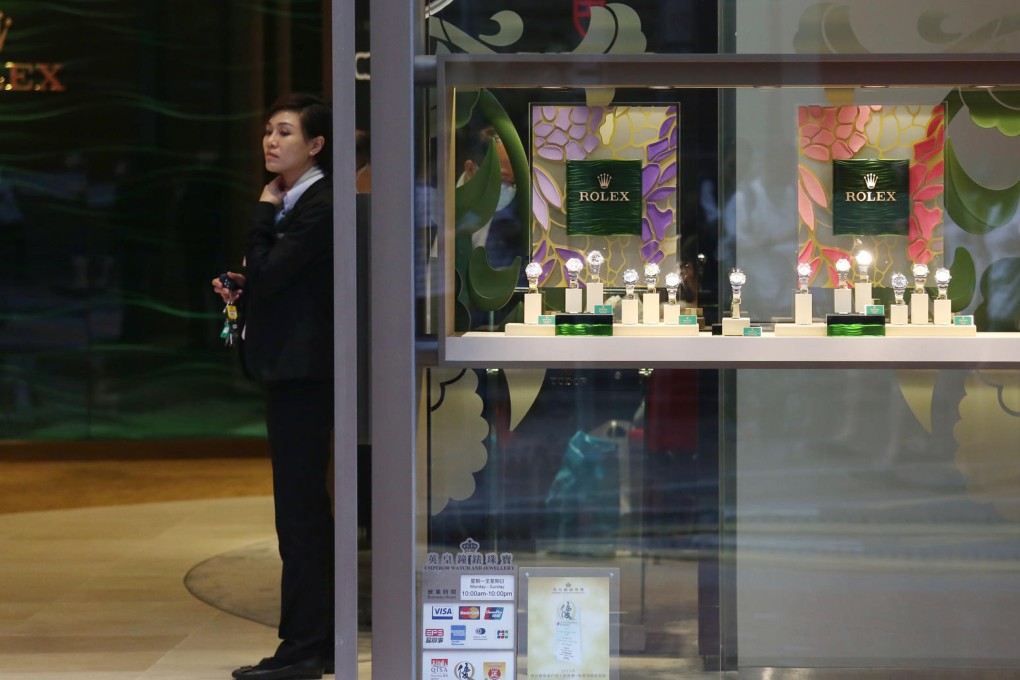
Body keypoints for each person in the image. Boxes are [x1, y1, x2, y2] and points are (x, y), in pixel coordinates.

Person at [212, 93, 335, 680]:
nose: (270, 141)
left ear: (315, 145)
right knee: (300, 512)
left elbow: (273, 270)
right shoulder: (299, 201)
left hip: (304, 376)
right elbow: (270, 278)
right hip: (292, 370)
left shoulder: (317, 204)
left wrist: (261, 214)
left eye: (284, 132)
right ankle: (310, 643)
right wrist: (244, 281)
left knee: (302, 513)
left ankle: (307, 648)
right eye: (267, 131)